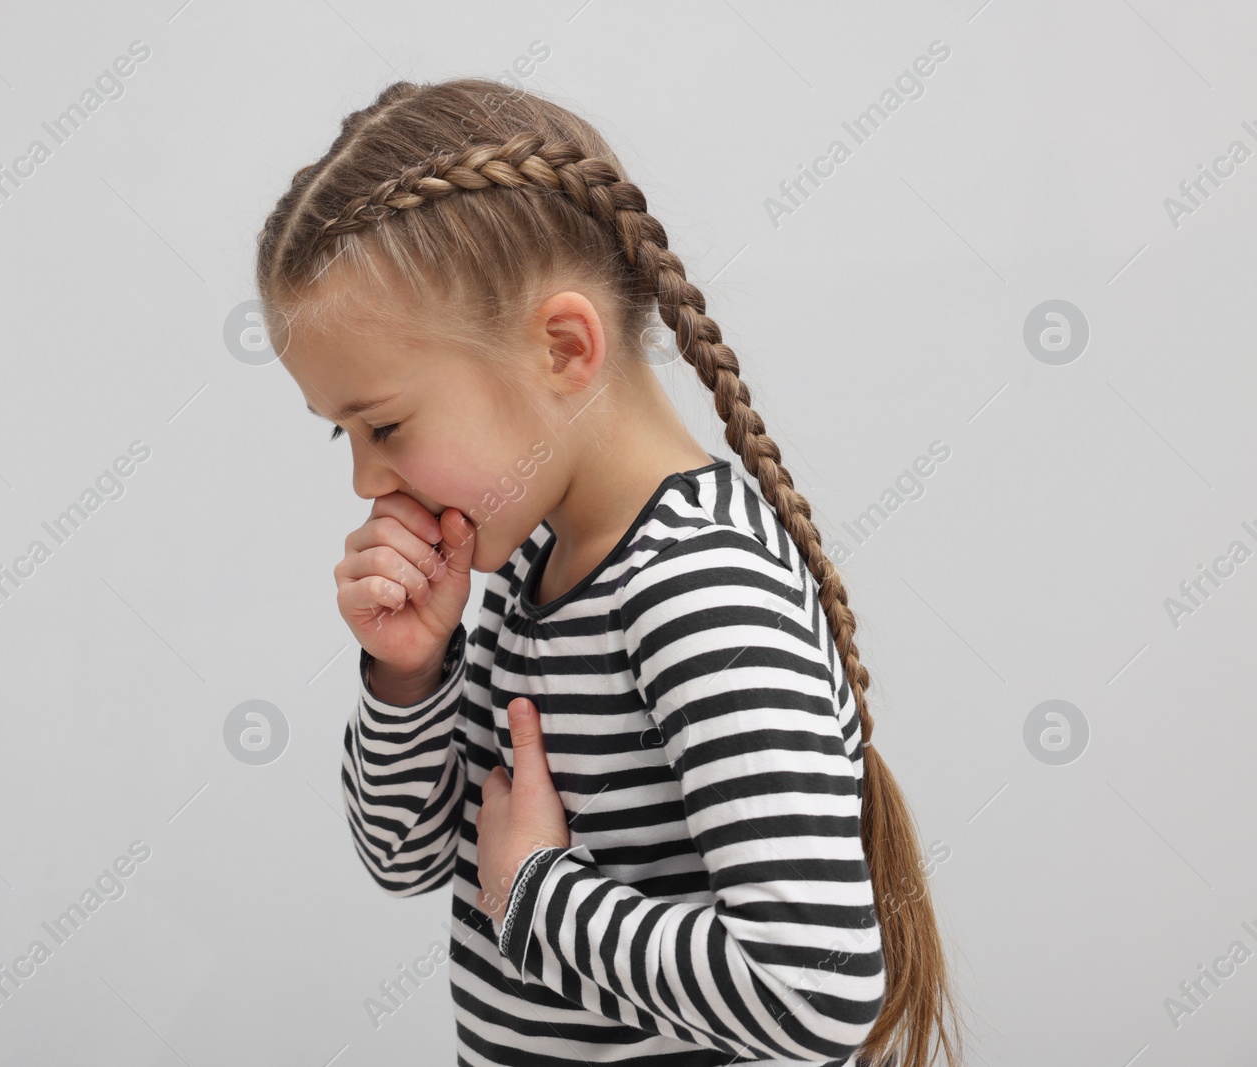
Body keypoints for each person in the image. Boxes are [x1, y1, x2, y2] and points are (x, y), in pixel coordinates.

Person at [256, 77, 964, 1067]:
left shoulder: (696, 587)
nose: (368, 478)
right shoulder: (535, 566)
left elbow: (813, 991)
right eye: (345, 434)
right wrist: (408, 676)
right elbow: (403, 855)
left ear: (561, 348)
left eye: (384, 425)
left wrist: (535, 892)